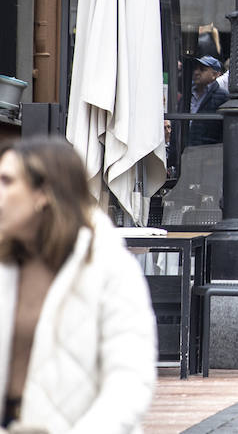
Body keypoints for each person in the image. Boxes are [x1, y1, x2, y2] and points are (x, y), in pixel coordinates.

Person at [0, 138, 156, 433]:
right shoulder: (5, 262)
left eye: (7, 181)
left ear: (43, 193)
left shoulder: (109, 266)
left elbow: (130, 381)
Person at [185, 54, 229, 146]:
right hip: (185, 149)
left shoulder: (223, 97)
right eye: (196, 69)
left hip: (207, 152)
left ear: (215, 74)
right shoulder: (187, 95)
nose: (196, 72)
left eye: (202, 69)